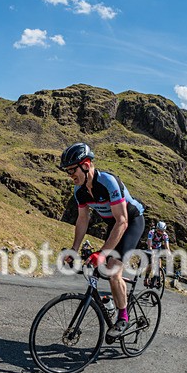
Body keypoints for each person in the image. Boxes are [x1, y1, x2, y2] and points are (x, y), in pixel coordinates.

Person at [61, 142, 145, 339]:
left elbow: (122, 221)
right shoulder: (79, 190)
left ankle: (123, 318)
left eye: (72, 170)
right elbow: (83, 220)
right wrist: (74, 249)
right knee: (97, 267)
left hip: (131, 221)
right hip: (113, 223)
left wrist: (103, 253)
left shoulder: (108, 182)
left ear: (86, 165)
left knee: (113, 270)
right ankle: (110, 301)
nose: (70, 175)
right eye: (67, 171)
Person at [144, 220, 172, 287]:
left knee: (159, 263)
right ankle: (146, 278)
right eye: (159, 230)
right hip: (150, 247)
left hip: (158, 248)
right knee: (151, 264)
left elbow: (167, 246)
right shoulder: (151, 232)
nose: (160, 232)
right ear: (156, 229)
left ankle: (157, 278)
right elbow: (149, 245)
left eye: (162, 231)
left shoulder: (165, 235)